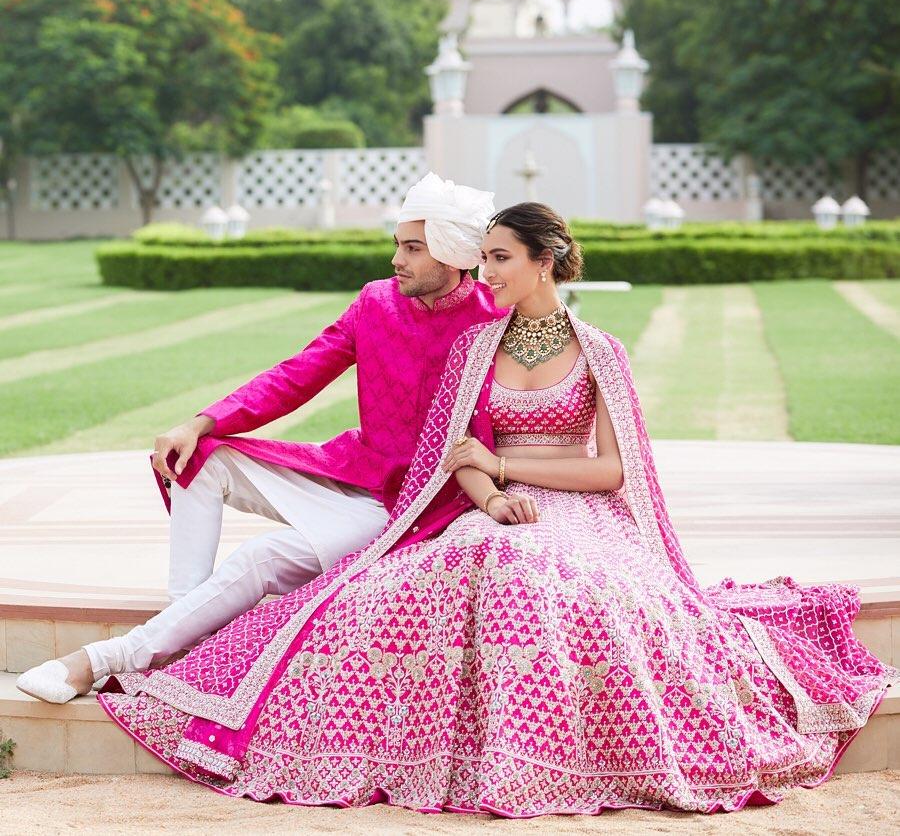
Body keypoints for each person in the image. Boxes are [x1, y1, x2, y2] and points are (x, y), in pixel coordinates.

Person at [69, 204, 900, 815]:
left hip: (578, 509)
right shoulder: (476, 346)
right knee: (439, 573)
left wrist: (504, 467)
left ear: (545, 261)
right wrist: (490, 493)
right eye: (485, 258)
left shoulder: (597, 350)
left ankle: (543, 756)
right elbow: (450, 457)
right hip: (493, 508)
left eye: (501, 259)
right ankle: (450, 752)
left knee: (539, 570)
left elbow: (611, 470)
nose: (488, 274)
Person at [15, 171, 506, 704]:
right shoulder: (376, 302)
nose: (396, 259)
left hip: (412, 510)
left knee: (262, 558)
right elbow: (300, 372)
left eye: (413, 248)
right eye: (397, 245)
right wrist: (202, 421)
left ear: (454, 255)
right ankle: (184, 625)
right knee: (199, 457)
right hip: (353, 473)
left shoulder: (497, 321)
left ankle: (103, 659)